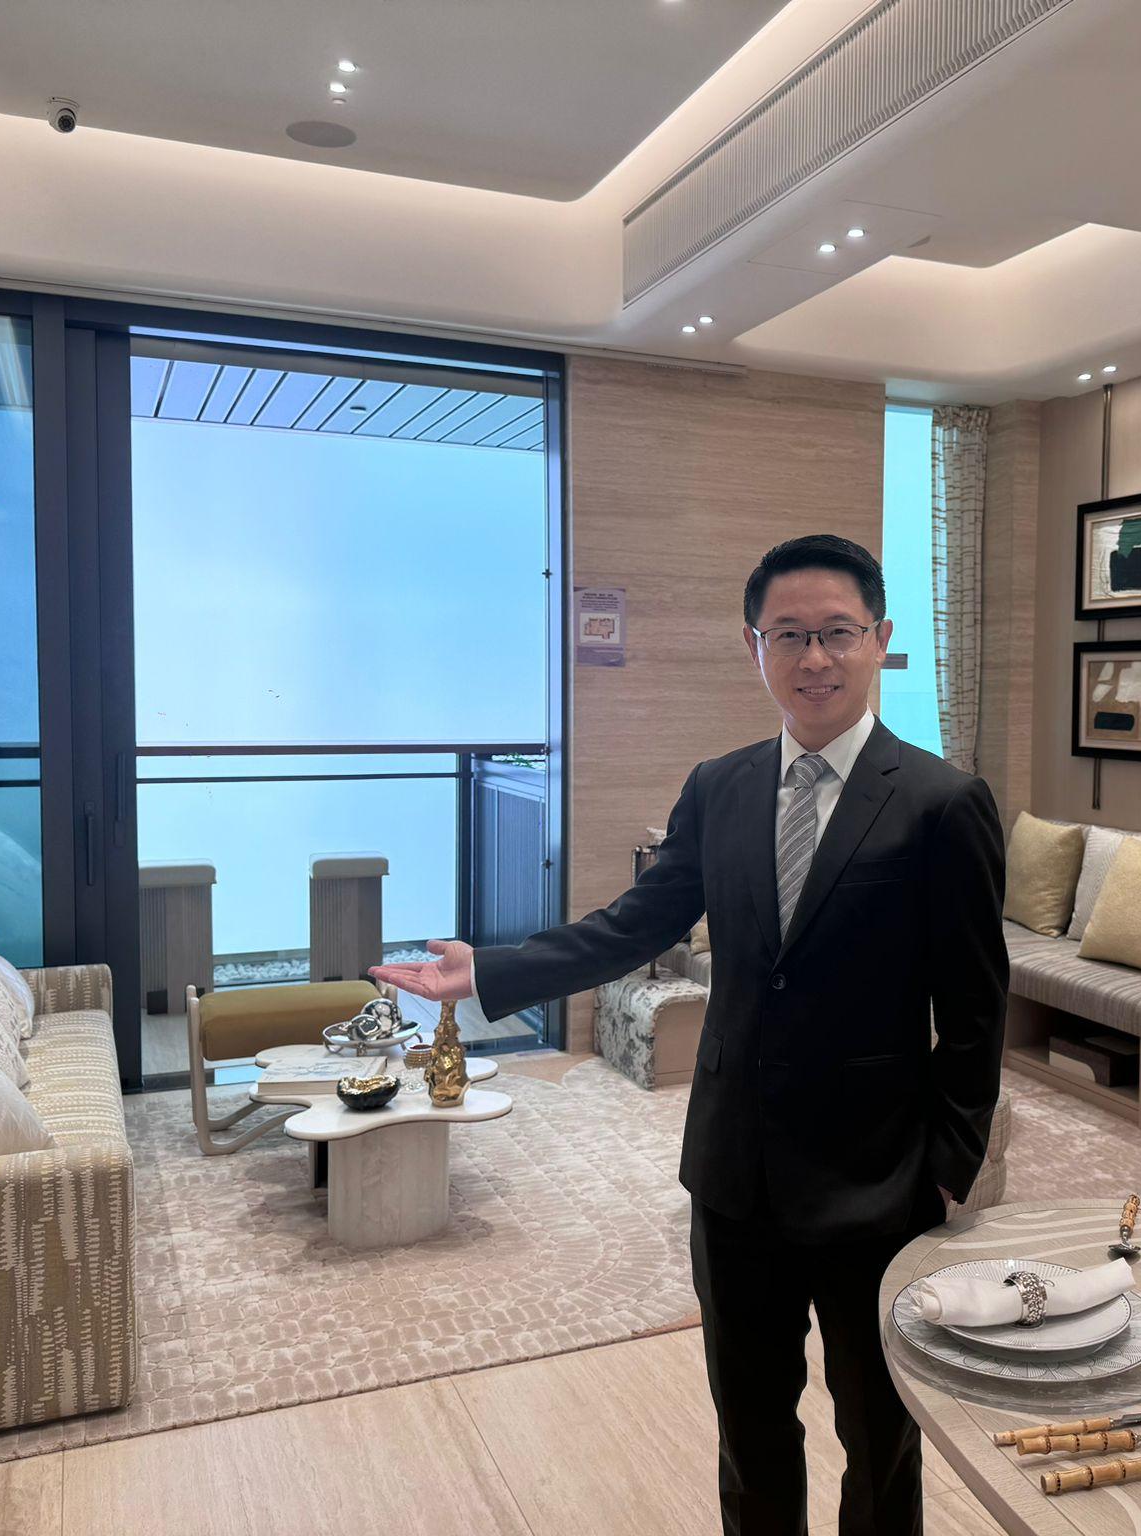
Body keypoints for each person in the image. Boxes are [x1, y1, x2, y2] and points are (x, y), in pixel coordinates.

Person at [375, 533, 1008, 1536]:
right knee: (749, 1430)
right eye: (787, 634)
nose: (814, 658)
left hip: (878, 1180)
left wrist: (945, 1170)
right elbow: (636, 924)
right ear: (753, 646)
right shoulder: (719, 786)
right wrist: (491, 973)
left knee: (880, 1433)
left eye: (837, 632)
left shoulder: (942, 803)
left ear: (879, 639)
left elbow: (974, 1011)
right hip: (734, 1174)